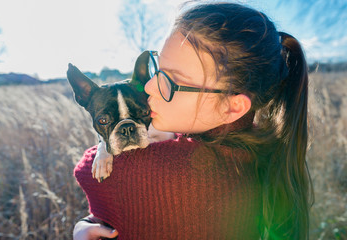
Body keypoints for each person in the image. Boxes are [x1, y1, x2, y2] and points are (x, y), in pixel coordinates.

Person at [73, 2, 313, 239]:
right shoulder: (255, 149)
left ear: (232, 106)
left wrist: (80, 227)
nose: (148, 86)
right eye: (159, 71)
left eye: (173, 79)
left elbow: (86, 172)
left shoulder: (171, 174)